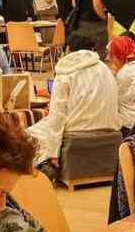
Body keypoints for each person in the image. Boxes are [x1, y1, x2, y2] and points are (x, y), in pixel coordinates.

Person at [28, 33, 121, 179]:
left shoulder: (65, 71)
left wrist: (53, 152)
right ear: (92, 49)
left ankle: (46, 164)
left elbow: (57, 115)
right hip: (111, 126)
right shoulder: (105, 68)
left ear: (68, 49)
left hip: (78, 129)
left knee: (33, 132)